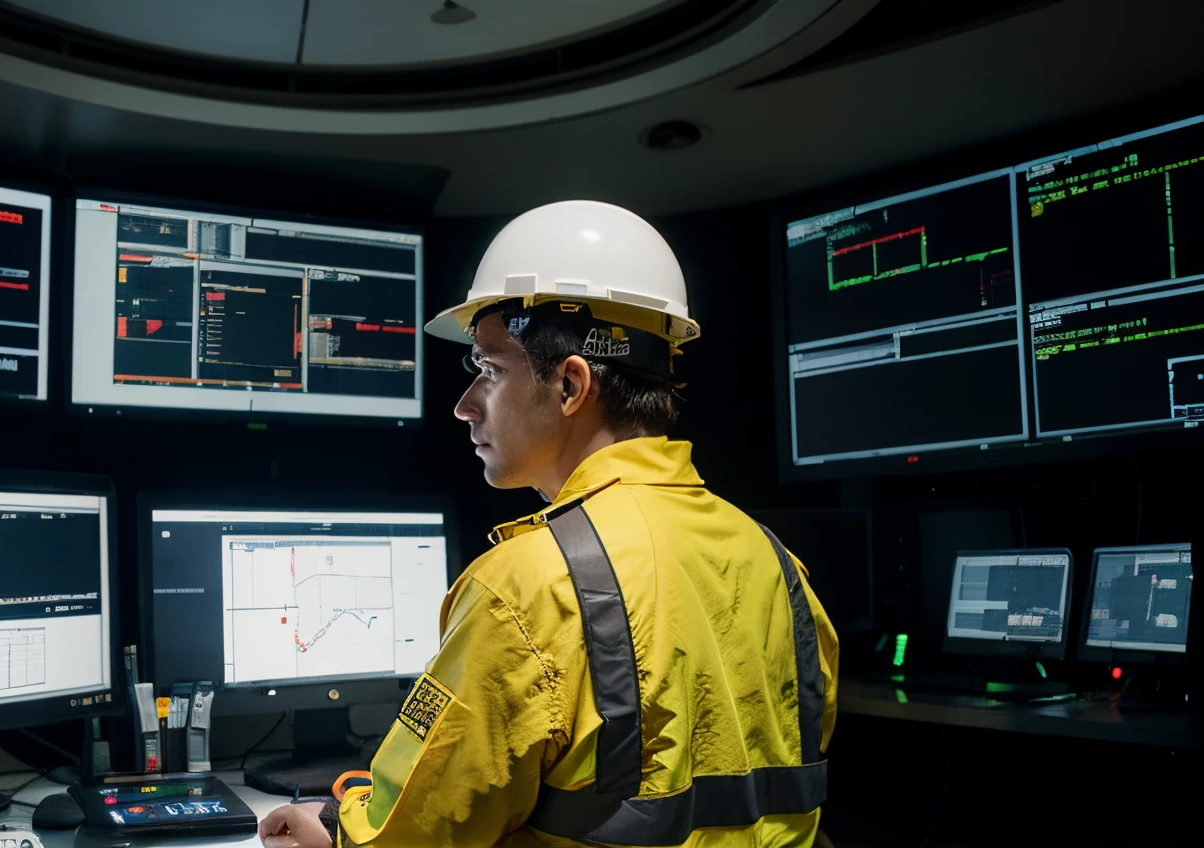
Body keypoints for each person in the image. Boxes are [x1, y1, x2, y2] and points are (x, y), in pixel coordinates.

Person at [260, 200, 839, 848]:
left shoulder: (528, 587)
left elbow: (409, 838)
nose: (463, 406)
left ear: (569, 386)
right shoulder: (781, 571)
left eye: (489, 371)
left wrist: (333, 833)